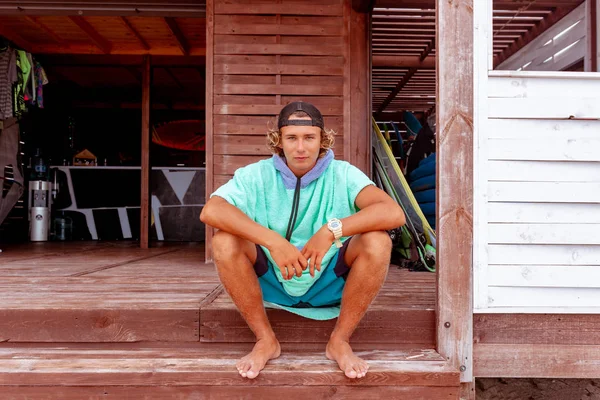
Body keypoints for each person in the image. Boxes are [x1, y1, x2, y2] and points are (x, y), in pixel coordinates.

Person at [200, 101, 405, 380]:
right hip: (271, 281)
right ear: (278, 141)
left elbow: (392, 212)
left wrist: (331, 230)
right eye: (291, 138)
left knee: (378, 241)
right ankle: (265, 339)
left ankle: (340, 341)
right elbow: (212, 210)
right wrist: (273, 241)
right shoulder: (255, 175)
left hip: (328, 283)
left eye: (309, 138)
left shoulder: (343, 174)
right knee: (224, 241)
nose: (300, 147)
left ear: (322, 140)